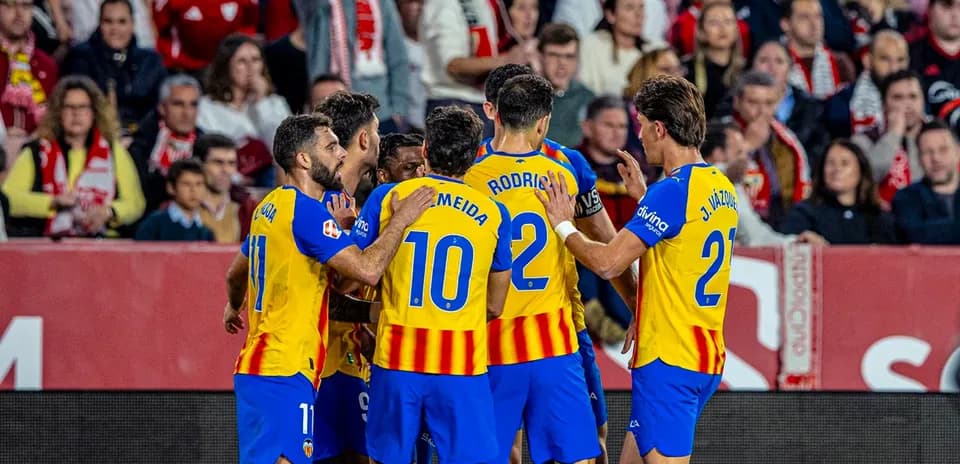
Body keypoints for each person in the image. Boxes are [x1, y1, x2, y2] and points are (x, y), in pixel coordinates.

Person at [537, 75, 737, 464]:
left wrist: (563, 223)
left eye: (642, 126)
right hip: (704, 354)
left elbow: (608, 261)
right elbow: (681, 251)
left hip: (669, 361)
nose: (639, 136)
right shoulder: (719, 186)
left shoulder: (671, 193)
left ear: (660, 128)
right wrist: (644, 199)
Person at [223, 113, 434, 464]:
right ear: (303, 159)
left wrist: (234, 306)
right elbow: (367, 271)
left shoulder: (268, 207)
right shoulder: (307, 213)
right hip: (283, 369)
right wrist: (401, 219)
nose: (340, 154)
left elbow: (234, 275)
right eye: (331, 146)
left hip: (268, 366)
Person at [478, 64, 637, 464]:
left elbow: (605, 239)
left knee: (588, 438)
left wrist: (638, 305)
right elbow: (607, 241)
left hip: (512, 334)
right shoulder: (564, 169)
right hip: (553, 337)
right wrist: (640, 306)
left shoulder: (469, 172)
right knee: (578, 449)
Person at [353, 105, 511, 463]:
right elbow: (495, 306)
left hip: (397, 359)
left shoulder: (388, 197)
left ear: (425, 150)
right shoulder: (494, 212)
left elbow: (353, 270)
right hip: (461, 364)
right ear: (474, 156)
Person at [309, 91, 383, 464]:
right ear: (365, 140)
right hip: (325, 365)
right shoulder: (322, 204)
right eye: (378, 131)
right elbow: (327, 296)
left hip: (350, 359)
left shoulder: (351, 202)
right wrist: (382, 315)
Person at [0, 75, 144, 238]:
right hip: (47, 245)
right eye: (69, 107)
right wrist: (52, 203)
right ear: (58, 112)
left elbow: (135, 203)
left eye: (83, 107)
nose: (76, 114)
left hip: (102, 244)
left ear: (94, 112)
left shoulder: (114, 151)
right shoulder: (36, 152)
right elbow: (8, 198)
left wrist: (108, 212)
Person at [63, 0, 166, 135]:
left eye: (122, 22)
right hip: (93, 136)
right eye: (108, 22)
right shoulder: (80, 58)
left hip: (143, 139)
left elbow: (158, 109)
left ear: (132, 24)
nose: (115, 29)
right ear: (100, 24)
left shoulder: (150, 61)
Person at [780, 139, 898, 244]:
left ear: (861, 171)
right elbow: (787, 244)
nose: (837, 169)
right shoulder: (804, 213)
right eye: (830, 163)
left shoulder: (878, 217)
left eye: (845, 163)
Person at [892, 119, 960, 244]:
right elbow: (915, 235)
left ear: (957, 152)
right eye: (927, 152)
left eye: (943, 150)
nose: (936, 158)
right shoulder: (906, 197)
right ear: (918, 158)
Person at [134, 158, 213, 241]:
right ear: (171, 188)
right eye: (186, 184)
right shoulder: (153, 225)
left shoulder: (206, 232)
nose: (193, 190)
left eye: (199, 184)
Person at [195, 134, 243, 243]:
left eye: (231, 163)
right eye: (218, 162)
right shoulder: (178, 208)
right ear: (199, 164)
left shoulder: (247, 208)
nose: (226, 170)